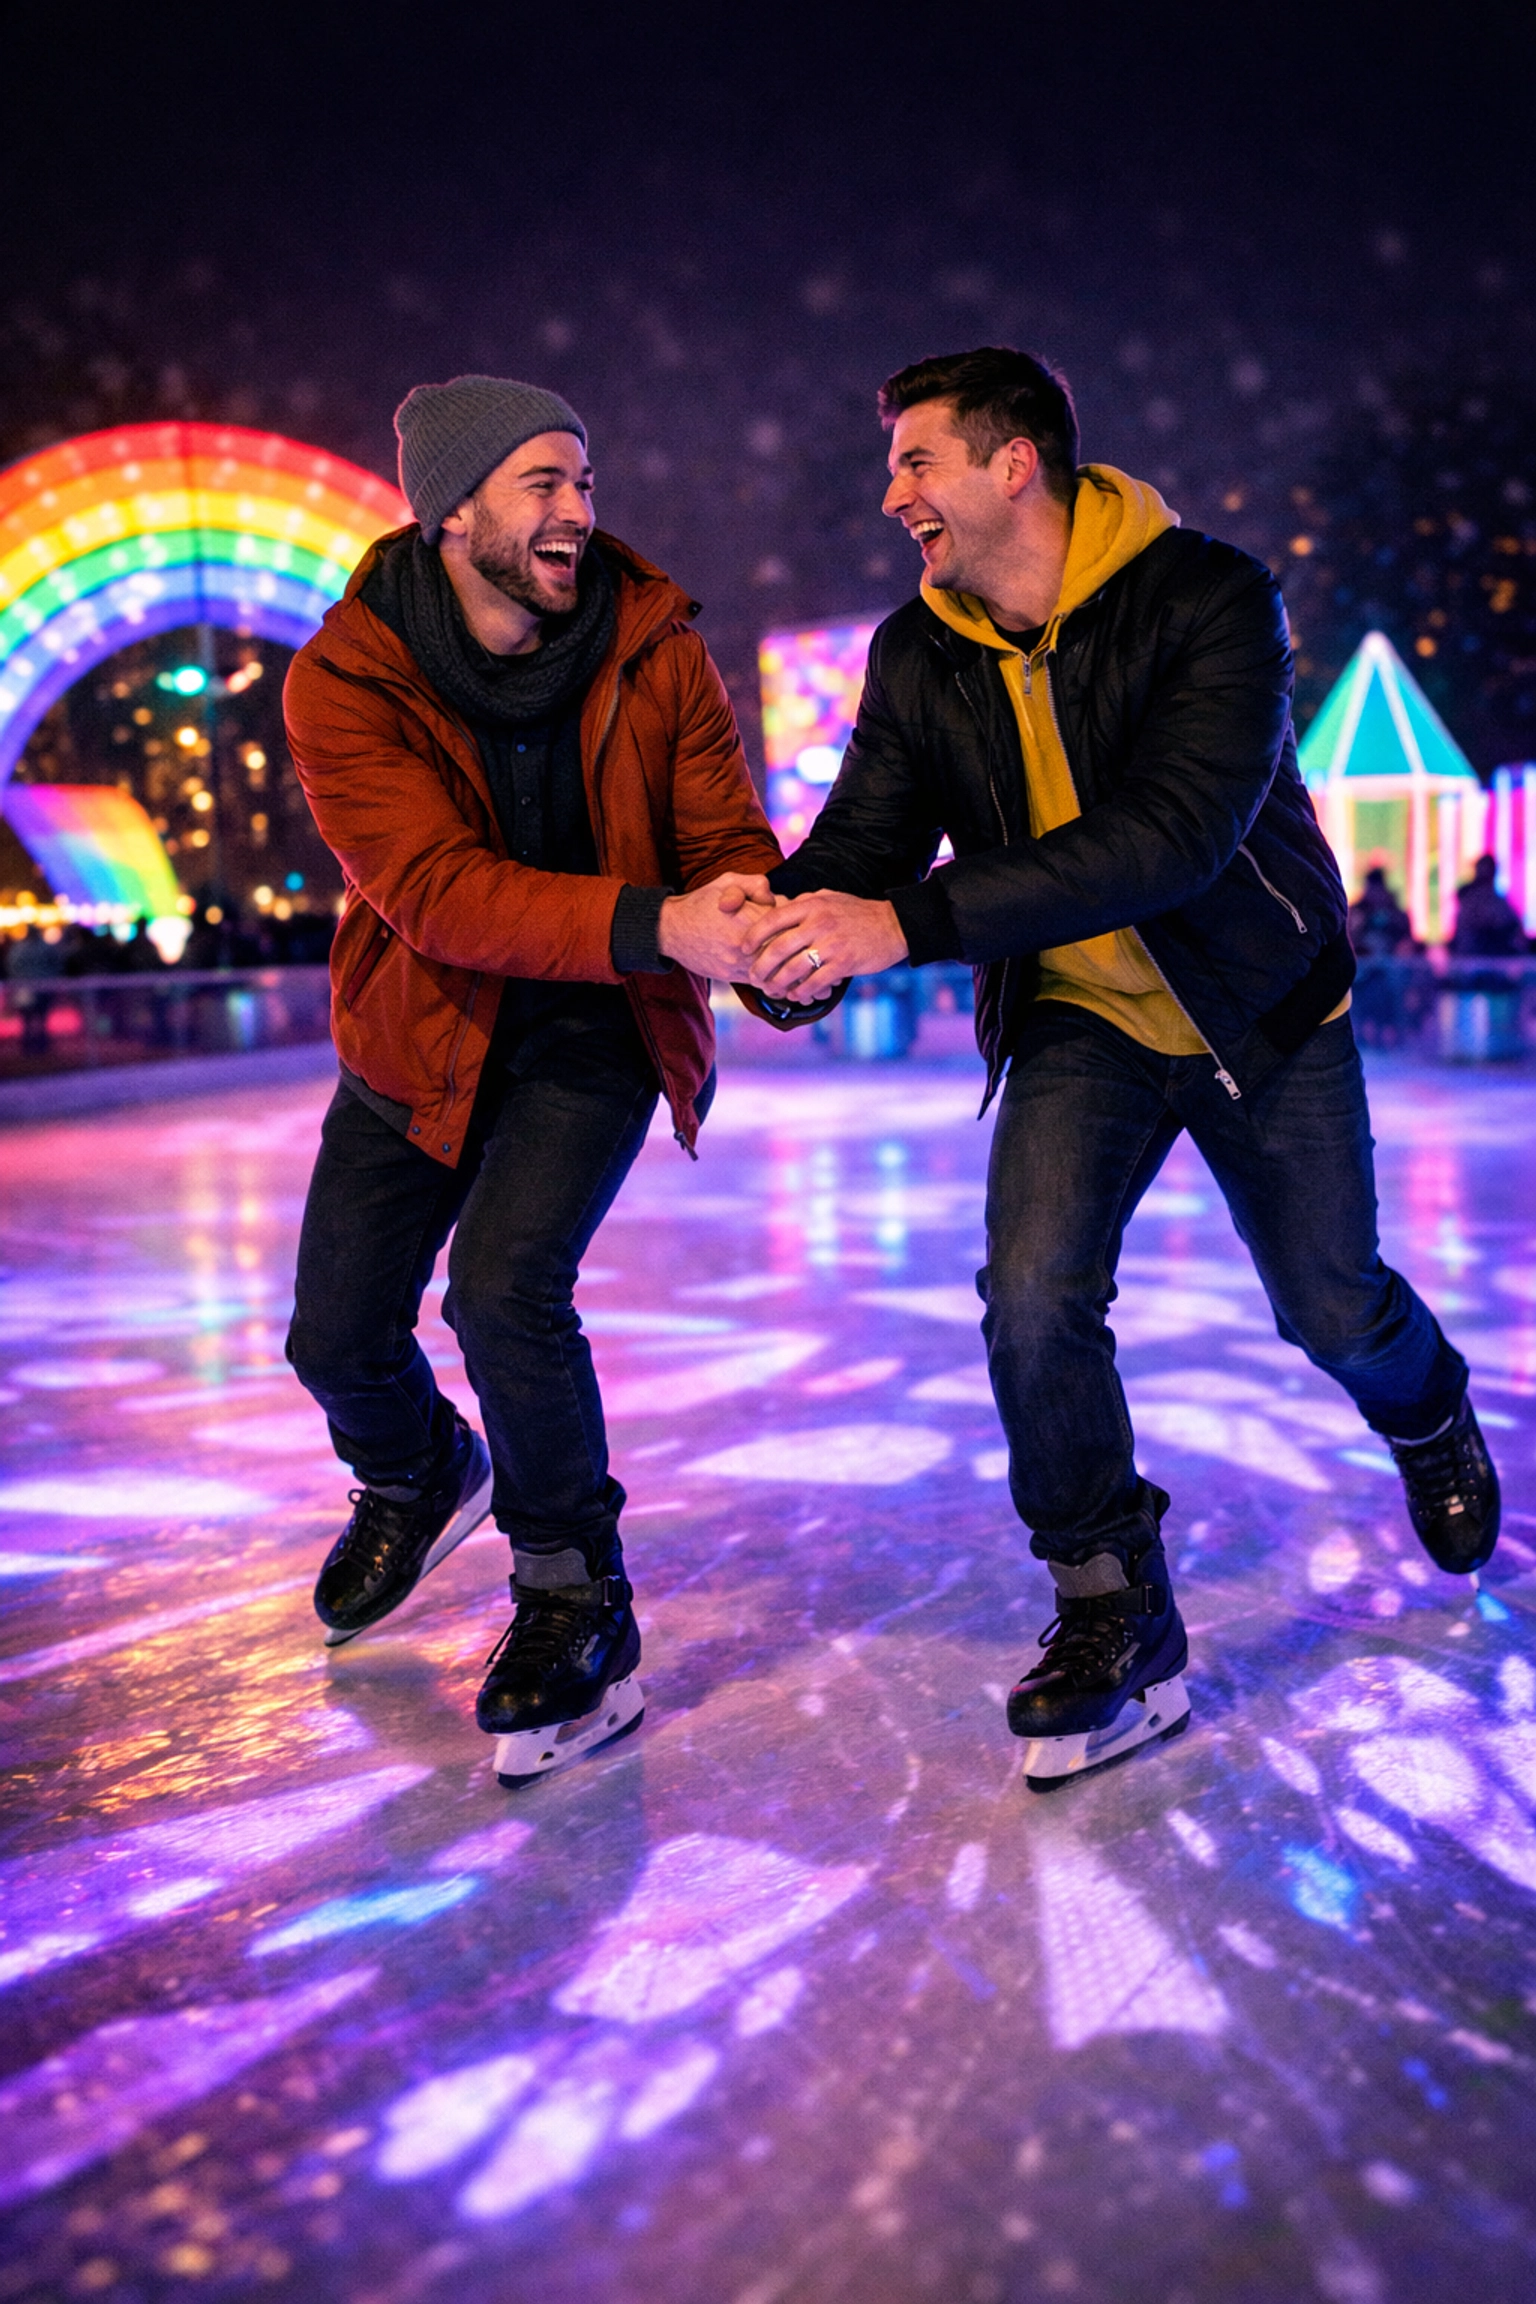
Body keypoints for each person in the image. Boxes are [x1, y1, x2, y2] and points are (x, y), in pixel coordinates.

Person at [744, 345, 1500, 1789]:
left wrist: (896, 924)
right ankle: (1111, 1606)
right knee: (1030, 1296)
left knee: (1331, 1309)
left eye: (916, 459)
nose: (892, 491)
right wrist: (789, 939)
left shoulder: (1210, 599)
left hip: (1259, 1009)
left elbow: (1171, 840)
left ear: (1011, 460)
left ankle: (1428, 1410)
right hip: (1080, 1024)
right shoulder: (921, 653)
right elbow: (867, 840)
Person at [284, 375, 789, 1783]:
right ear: (456, 512)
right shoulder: (343, 675)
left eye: (584, 478)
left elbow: (720, 843)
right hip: (417, 1031)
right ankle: (417, 1473)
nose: (578, 511)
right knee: (334, 1338)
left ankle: (575, 1603)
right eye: (542, 483)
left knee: (506, 1290)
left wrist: (767, 944)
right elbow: (435, 893)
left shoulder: (655, 649)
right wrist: (662, 921)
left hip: (588, 1035)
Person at [1450, 854, 1527, 958]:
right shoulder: (1474, 899)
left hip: (1485, 964)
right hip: (1475, 963)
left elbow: (1513, 926)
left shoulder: (1493, 900)